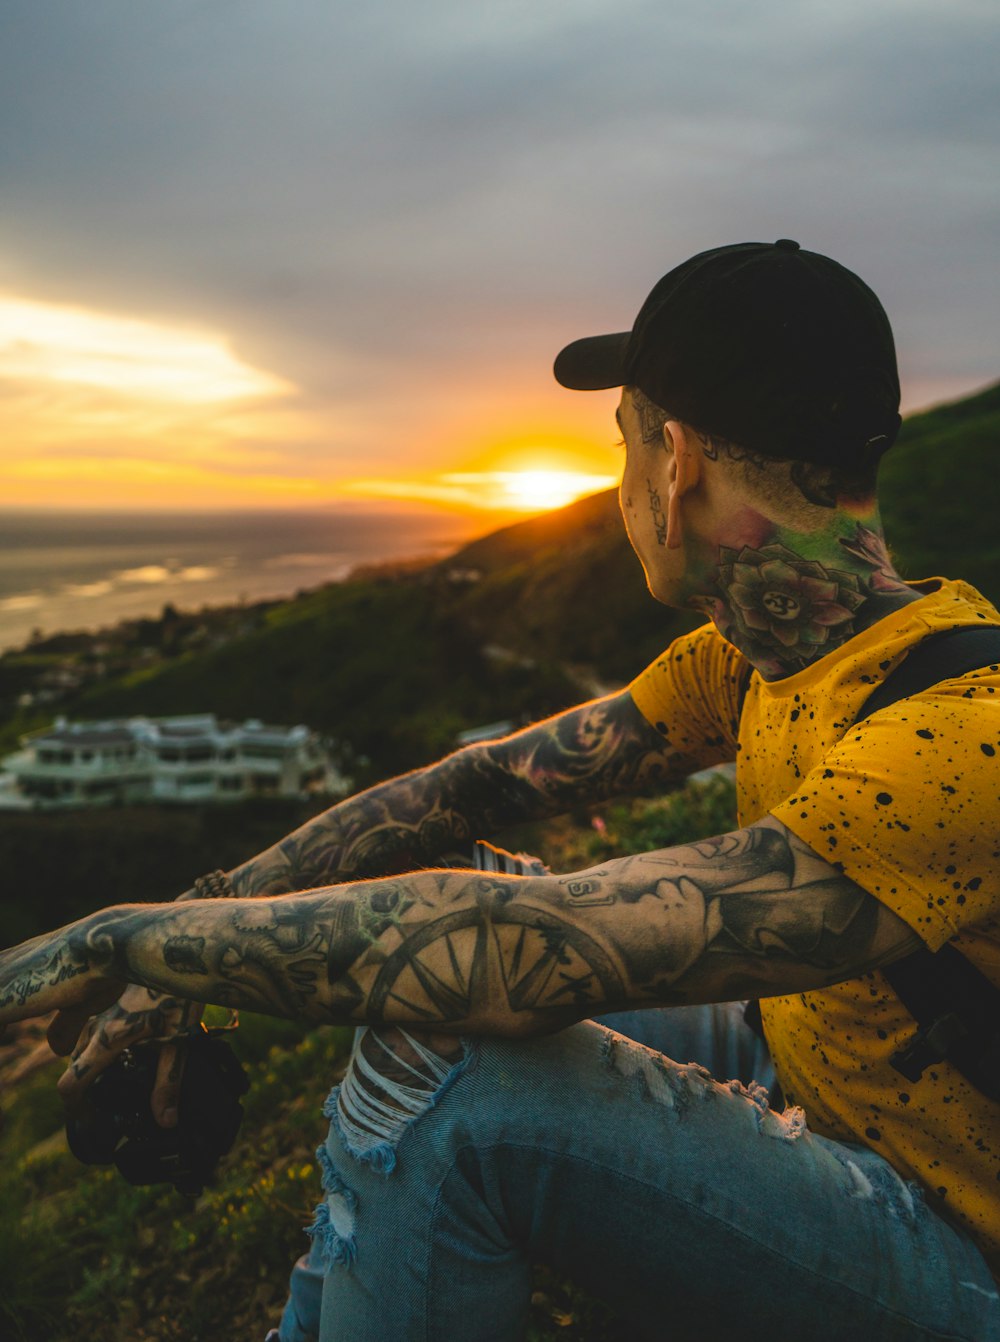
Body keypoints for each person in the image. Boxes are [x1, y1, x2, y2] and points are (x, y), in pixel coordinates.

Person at [2, 239, 998, 1341]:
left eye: (621, 446)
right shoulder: (764, 658)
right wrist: (202, 916)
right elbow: (473, 789)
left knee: (461, 1069)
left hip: (960, 1248)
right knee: (443, 884)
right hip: (811, 1060)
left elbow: (522, 948)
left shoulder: (961, 739)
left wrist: (121, 941)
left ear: (674, 469)